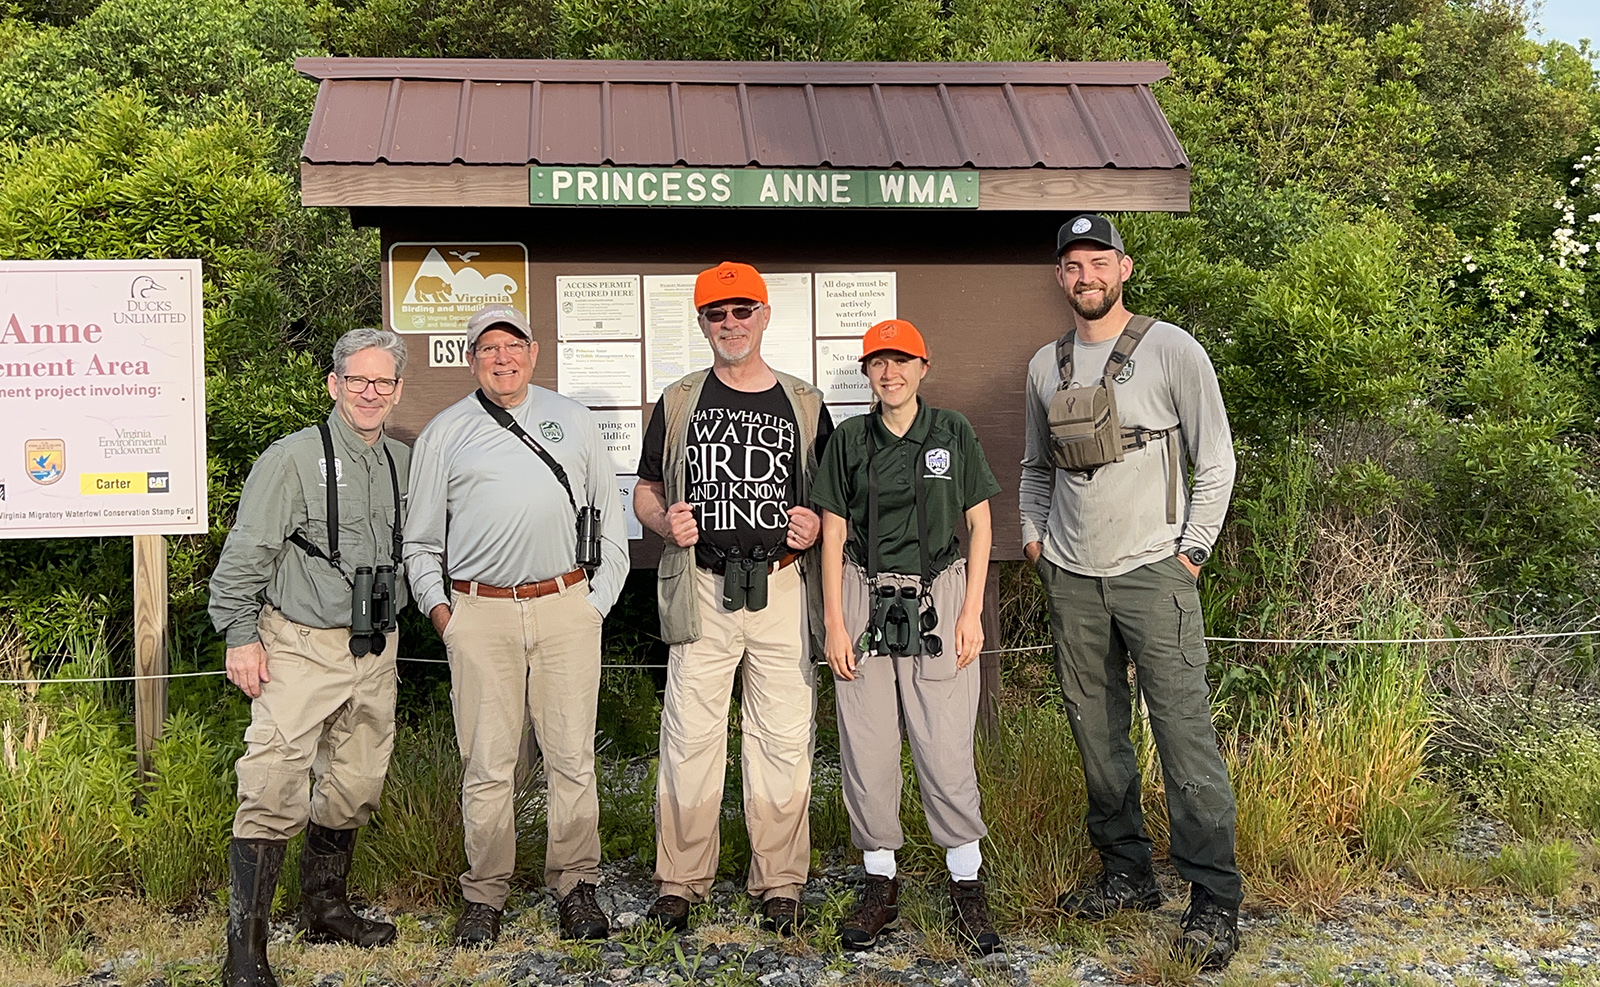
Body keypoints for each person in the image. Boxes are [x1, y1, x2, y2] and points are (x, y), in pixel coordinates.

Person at [1019, 213, 1242, 969]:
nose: (1086, 276)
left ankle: (1213, 898)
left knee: (1183, 732)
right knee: (1096, 730)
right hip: (1073, 575)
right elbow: (1035, 468)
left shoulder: (1173, 349)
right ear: (1060, 277)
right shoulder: (1044, 366)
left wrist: (1192, 555)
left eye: (1098, 261)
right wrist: (1035, 539)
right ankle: (1127, 873)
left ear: (1125, 267)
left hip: (1156, 571)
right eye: (1073, 265)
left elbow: (1217, 458)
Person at [403, 304, 628, 946]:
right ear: (471, 359)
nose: (502, 357)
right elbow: (419, 540)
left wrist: (597, 601)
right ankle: (486, 891)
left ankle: (576, 884)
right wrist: (445, 616)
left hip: (566, 608)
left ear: (533, 352)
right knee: (488, 762)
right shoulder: (446, 432)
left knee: (571, 757)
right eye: (488, 348)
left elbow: (609, 520)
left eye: (513, 345)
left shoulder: (574, 421)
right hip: (480, 613)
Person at [634, 261, 834, 935]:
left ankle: (780, 880)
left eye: (742, 310)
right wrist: (666, 522)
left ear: (765, 314)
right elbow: (644, 490)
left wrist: (812, 523)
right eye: (717, 314)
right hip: (704, 583)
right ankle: (681, 881)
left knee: (782, 735)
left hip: (780, 583)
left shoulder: (804, 403)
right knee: (691, 735)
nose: (730, 323)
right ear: (702, 323)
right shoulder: (681, 398)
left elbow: (832, 500)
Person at [209, 327, 412, 987]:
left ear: (398, 389)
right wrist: (240, 634)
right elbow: (246, 552)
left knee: (356, 782)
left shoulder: (403, 461)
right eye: (358, 379)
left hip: (376, 646)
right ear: (334, 383)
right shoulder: (291, 459)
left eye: (382, 381)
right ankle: (246, 946)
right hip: (298, 642)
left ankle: (324, 905)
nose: (370, 391)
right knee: (271, 783)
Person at [812, 319, 1004, 956]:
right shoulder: (848, 440)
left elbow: (980, 526)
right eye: (877, 363)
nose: (889, 373)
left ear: (924, 367)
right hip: (865, 591)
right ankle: (880, 882)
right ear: (866, 372)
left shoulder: (952, 432)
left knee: (945, 741)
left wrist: (971, 611)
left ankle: (966, 882)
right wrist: (835, 621)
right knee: (866, 743)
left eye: (901, 361)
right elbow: (833, 533)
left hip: (938, 592)